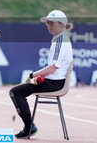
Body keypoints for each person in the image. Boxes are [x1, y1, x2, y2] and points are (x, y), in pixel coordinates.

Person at [9, 10, 73, 138]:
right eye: (47, 23)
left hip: (55, 83)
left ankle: (29, 127)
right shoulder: (60, 39)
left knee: (15, 92)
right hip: (54, 81)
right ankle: (29, 126)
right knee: (19, 91)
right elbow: (51, 68)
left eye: (51, 23)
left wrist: (32, 76)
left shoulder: (60, 41)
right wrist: (37, 76)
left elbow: (52, 68)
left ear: (61, 24)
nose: (48, 25)